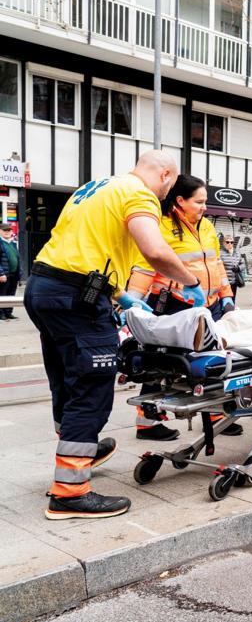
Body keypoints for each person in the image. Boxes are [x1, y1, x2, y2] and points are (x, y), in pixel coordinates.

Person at [24, 150, 203, 520]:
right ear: (166, 175)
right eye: (169, 186)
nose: (167, 195)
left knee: (66, 376)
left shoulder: (94, 188)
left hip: (45, 288)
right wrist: (192, 282)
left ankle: (79, 448)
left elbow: (84, 251)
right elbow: (154, 250)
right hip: (76, 301)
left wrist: (122, 296)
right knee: (93, 384)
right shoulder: (139, 194)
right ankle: (70, 493)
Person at [125, 175, 239, 441]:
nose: (204, 207)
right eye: (199, 201)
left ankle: (214, 414)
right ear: (180, 201)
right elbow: (145, 266)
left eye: (205, 202)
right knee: (162, 364)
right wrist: (132, 301)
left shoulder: (207, 226)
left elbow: (217, 264)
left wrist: (227, 296)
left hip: (208, 307)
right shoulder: (161, 227)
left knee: (210, 363)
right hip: (173, 306)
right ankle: (148, 421)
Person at [0, 223, 19, 320]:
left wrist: (20, 273)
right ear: (0, 231)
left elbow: (17, 258)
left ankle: (8, 313)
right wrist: (1, 273)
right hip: (4, 274)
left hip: (13, 274)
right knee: (2, 294)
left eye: (9, 230)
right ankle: (1, 314)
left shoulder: (13, 242)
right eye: (5, 230)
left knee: (11, 294)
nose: (7, 232)